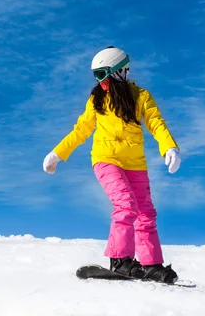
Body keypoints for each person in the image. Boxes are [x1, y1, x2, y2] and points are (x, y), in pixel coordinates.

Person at [42, 46, 181, 284]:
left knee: (146, 213)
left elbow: (156, 123)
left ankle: (151, 265)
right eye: (96, 75)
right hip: (106, 160)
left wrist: (169, 146)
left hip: (135, 163)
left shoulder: (141, 97)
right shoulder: (97, 100)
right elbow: (81, 130)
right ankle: (120, 259)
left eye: (102, 74)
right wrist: (58, 153)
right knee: (126, 205)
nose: (100, 81)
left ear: (119, 71)